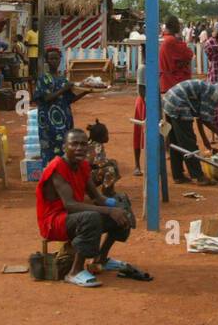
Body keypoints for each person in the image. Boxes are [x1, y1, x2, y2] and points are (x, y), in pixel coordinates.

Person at [36, 128, 133, 288]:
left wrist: (117, 205)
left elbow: (97, 197)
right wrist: (109, 211)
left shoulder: (82, 166)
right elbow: (70, 205)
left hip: (71, 217)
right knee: (90, 217)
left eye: (83, 144)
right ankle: (74, 272)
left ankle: (100, 260)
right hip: (53, 222)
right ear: (64, 147)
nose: (79, 148)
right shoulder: (57, 168)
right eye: (74, 144)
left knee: (122, 203)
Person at [161, 78, 218, 186]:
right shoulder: (214, 95)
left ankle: (178, 175)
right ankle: (199, 177)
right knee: (189, 143)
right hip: (179, 104)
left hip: (170, 100)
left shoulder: (212, 89)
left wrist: (206, 141)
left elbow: (200, 118)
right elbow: (205, 120)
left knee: (176, 142)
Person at [34, 47, 101, 161]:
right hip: (48, 123)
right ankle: (51, 175)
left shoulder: (62, 79)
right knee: (50, 149)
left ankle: (64, 175)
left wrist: (86, 91)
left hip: (64, 120)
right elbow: (45, 98)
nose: (54, 61)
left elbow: (70, 99)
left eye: (57, 58)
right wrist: (64, 89)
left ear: (60, 59)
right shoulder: (43, 78)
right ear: (46, 60)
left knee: (66, 148)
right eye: (51, 58)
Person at [158, 16, 193, 94]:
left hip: (169, 83)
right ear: (175, 25)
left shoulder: (166, 39)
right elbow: (189, 54)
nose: (180, 27)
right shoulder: (171, 40)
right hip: (173, 84)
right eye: (179, 25)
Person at [132, 65, 146, 177]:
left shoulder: (157, 64)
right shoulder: (143, 68)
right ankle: (137, 165)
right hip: (144, 102)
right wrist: (148, 105)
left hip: (155, 100)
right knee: (139, 132)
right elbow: (141, 89)